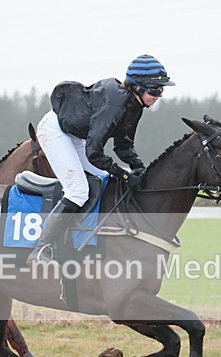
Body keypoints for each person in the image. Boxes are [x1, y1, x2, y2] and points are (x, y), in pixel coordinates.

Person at [26, 54, 174, 265]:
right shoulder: (113, 105)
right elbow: (94, 153)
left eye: (162, 90)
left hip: (77, 136)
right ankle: (41, 249)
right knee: (78, 191)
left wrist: (139, 168)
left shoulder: (134, 105)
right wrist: (124, 174)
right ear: (137, 87)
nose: (160, 95)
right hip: (56, 131)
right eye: (156, 90)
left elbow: (123, 145)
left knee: (104, 179)